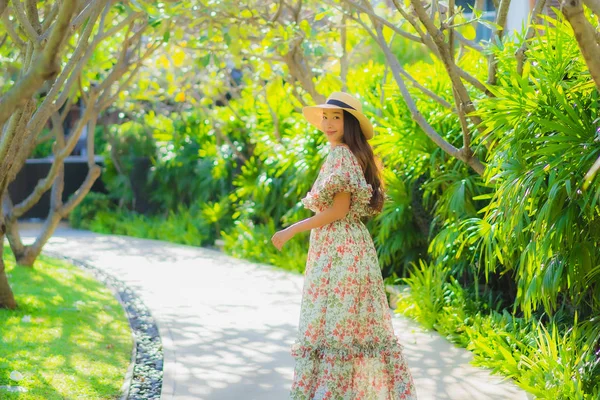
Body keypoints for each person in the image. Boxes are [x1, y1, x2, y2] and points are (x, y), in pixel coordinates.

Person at [271, 92, 417, 399]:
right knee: (349, 331)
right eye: (325, 117)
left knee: (336, 330)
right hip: (346, 250)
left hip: (340, 252)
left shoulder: (341, 156)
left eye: (336, 117)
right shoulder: (348, 154)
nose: (328, 123)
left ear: (349, 122)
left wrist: (291, 230)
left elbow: (337, 211)